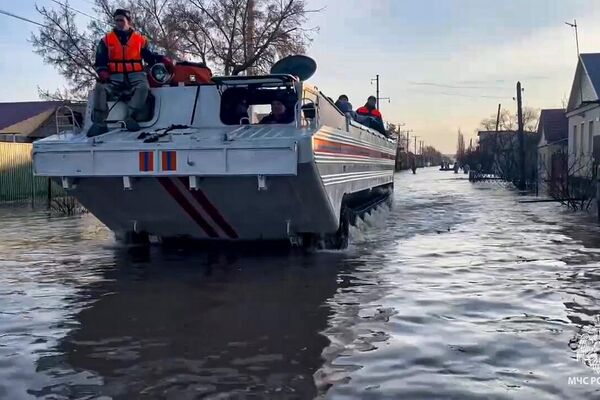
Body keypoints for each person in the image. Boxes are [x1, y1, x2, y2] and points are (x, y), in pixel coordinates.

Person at [88, 9, 174, 137]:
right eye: (116, 20)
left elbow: (149, 57)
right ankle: (100, 124)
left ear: (129, 21)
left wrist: (162, 59)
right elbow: (100, 59)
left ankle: (130, 117)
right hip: (114, 77)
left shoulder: (140, 40)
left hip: (136, 75)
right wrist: (102, 72)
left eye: (121, 20)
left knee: (143, 87)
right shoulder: (106, 40)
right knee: (100, 88)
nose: (119, 23)